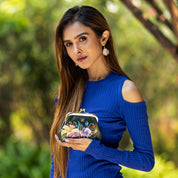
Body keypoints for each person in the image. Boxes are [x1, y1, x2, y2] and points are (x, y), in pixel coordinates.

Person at [50, 5, 155, 178]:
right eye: (69, 44)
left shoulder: (125, 90)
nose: (76, 50)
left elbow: (145, 161)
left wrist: (94, 148)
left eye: (82, 39)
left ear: (103, 38)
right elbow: (58, 158)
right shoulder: (68, 89)